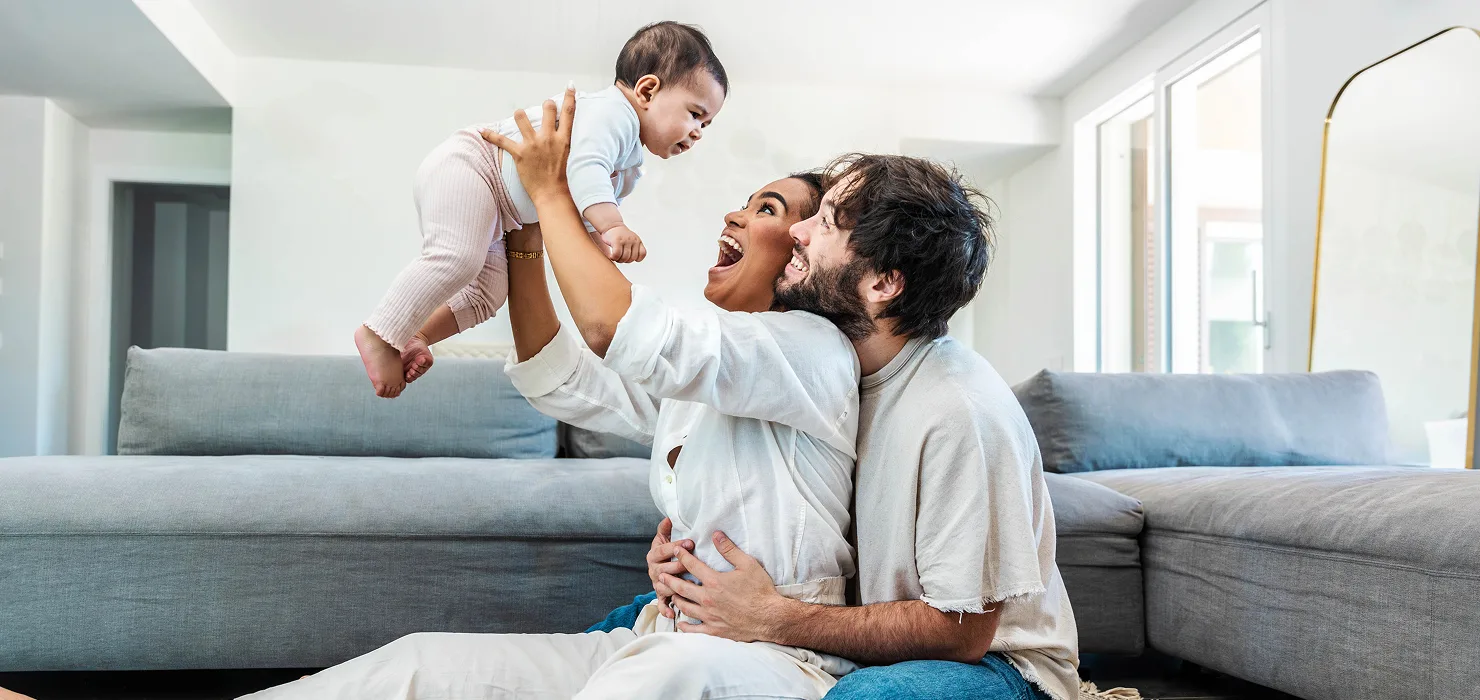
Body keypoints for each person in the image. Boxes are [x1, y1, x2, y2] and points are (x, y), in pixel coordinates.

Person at [231, 88, 869, 700]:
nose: (733, 213)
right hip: (662, 643)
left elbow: (614, 326)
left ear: (801, 252)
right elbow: (564, 376)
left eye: (767, 210)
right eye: (747, 201)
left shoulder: (811, 348)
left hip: (769, 661)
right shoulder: (707, 378)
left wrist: (551, 189)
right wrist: (522, 226)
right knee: (420, 664)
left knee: (657, 679)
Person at [593, 159, 1081, 699]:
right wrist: (687, 562)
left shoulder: (960, 410)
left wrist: (773, 617)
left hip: (997, 666)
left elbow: (960, 631)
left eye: (825, 223)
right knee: (638, 621)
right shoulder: (826, 368)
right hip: (856, 635)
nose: (796, 233)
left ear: (882, 282)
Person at [354, 21, 727, 398]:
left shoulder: (630, 166)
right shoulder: (613, 115)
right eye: (695, 114)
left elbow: (578, 211)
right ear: (647, 90)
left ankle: (416, 335)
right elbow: (585, 170)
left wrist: (600, 243)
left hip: (501, 212)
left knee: (489, 294)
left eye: (707, 124)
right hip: (474, 165)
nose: (698, 132)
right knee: (457, 258)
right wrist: (614, 226)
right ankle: (379, 333)